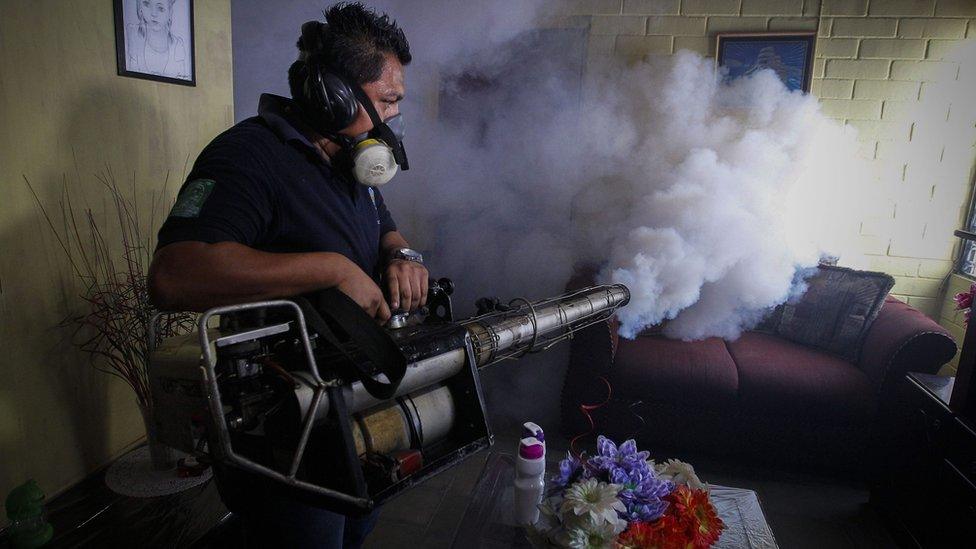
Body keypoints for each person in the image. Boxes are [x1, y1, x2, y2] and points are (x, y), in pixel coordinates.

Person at [148, 3, 426, 547]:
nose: (394, 116)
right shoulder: (248, 157)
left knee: (356, 522)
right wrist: (329, 269)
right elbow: (173, 275)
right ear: (334, 95)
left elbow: (385, 229)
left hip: (345, 402)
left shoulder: (351, 162)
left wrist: (401, 256)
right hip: (278, 417)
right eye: (388, 100)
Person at [126, 0, 188, 78]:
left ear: (170, 12)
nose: (153, 14)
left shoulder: (177, 46)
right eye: (147, 4)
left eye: (160, 8)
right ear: (140, 6)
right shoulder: (132, 33)